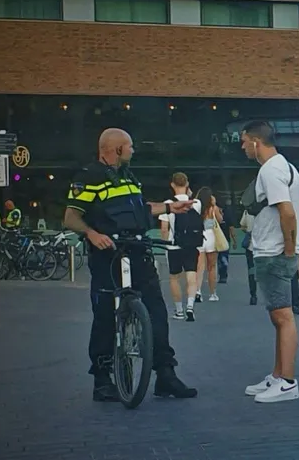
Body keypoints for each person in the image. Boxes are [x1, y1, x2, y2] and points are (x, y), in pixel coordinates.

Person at [64, 128, 197, 402]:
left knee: (156, 311)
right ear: (116, 149)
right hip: (107, 255)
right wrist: (92, 233)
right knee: (104, 316)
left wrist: (171, 208)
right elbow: (71, 217)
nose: (133, 151)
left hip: (137, 250)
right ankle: (102, 380)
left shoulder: (128, 178)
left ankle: (165, 375)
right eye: (130, 147)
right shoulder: (88, 178)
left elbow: (142, 209)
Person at [240, 120, 299, 403]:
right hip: (275, 250)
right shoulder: (284, 167)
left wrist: (288, 249)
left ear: (256, 142)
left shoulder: (271, 170)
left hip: (274, 251)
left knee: (283, 316)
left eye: (244, 142)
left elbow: (287, 212)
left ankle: (287, 382)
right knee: (279, 317)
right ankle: (278, 376)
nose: (242, 147)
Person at [159, 172, 202, 321]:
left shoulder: (167, 204)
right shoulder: (196, 203)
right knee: (192, 276)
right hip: (191, 245)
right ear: (187, 183)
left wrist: (165, 244)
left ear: (172, 184)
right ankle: (190, 306)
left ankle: (179, 310)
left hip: (174, 246)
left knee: (174, 278)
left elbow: (164, 228)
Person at [195, 188, 222, 303]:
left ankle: (198, 292)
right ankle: (212, 293)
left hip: (199, 237)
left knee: (199, 267)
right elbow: (220, 220)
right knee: (212, 267)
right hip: (211, 236)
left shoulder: (197, 207)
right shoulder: (213, 208)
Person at [239, 209, 258, 305]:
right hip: (265, 245)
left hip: (251, 245)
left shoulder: (247, 211)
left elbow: (242, 226)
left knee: (251, 271)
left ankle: (253, 295)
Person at [217, 197, 237, 284]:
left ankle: (222, 275)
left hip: (220, 240)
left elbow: (231, 228)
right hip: (222, 240)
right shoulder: (226, 215)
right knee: (222, 258)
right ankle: (222, 275)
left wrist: (234, 240)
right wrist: (234, 241)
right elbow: (231, 228)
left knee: (221, 258)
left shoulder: (216, 214)